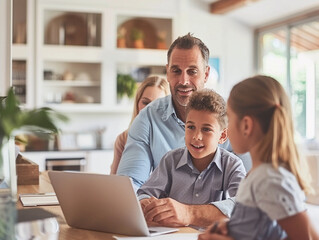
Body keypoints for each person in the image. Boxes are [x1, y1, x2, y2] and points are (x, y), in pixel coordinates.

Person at [198, 75, 319, 240]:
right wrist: (234, 227)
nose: (227, 128)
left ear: (246, 125)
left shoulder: (269, 179)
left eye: (230, 119)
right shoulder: (259, 175)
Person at [137, 89, 246, 228]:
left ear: (222, 136)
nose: (196, 136)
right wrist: (146, 203)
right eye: (191, 127)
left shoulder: (232, 165)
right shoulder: (170, 160)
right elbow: (144, 194)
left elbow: (242, 206)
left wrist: (187, 212)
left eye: (206, 129)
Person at [110, 75, 169, 174]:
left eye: (158, 104)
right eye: (146, 103)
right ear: (137, 104)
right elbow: (114, 181)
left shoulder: (176, 140)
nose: (150, 110)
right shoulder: (123, 139)